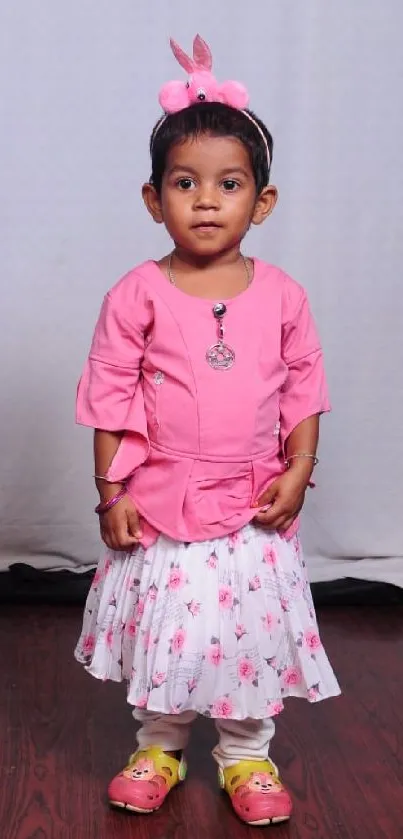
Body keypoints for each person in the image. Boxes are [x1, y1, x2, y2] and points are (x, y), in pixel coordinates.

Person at [75, 35, 340, 827]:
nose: (205, 200)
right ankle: (158, 743)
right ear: (154, 198)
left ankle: (247, 752)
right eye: (184, 183)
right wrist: (109, 488)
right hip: (161, 499)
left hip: (253, 495)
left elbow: (304, 386)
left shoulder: (284, 295)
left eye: (228, 184)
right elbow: (108, 394)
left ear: (261, 201)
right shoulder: (137, 293)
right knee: (173, 629)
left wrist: (299, 467)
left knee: (246, 632)